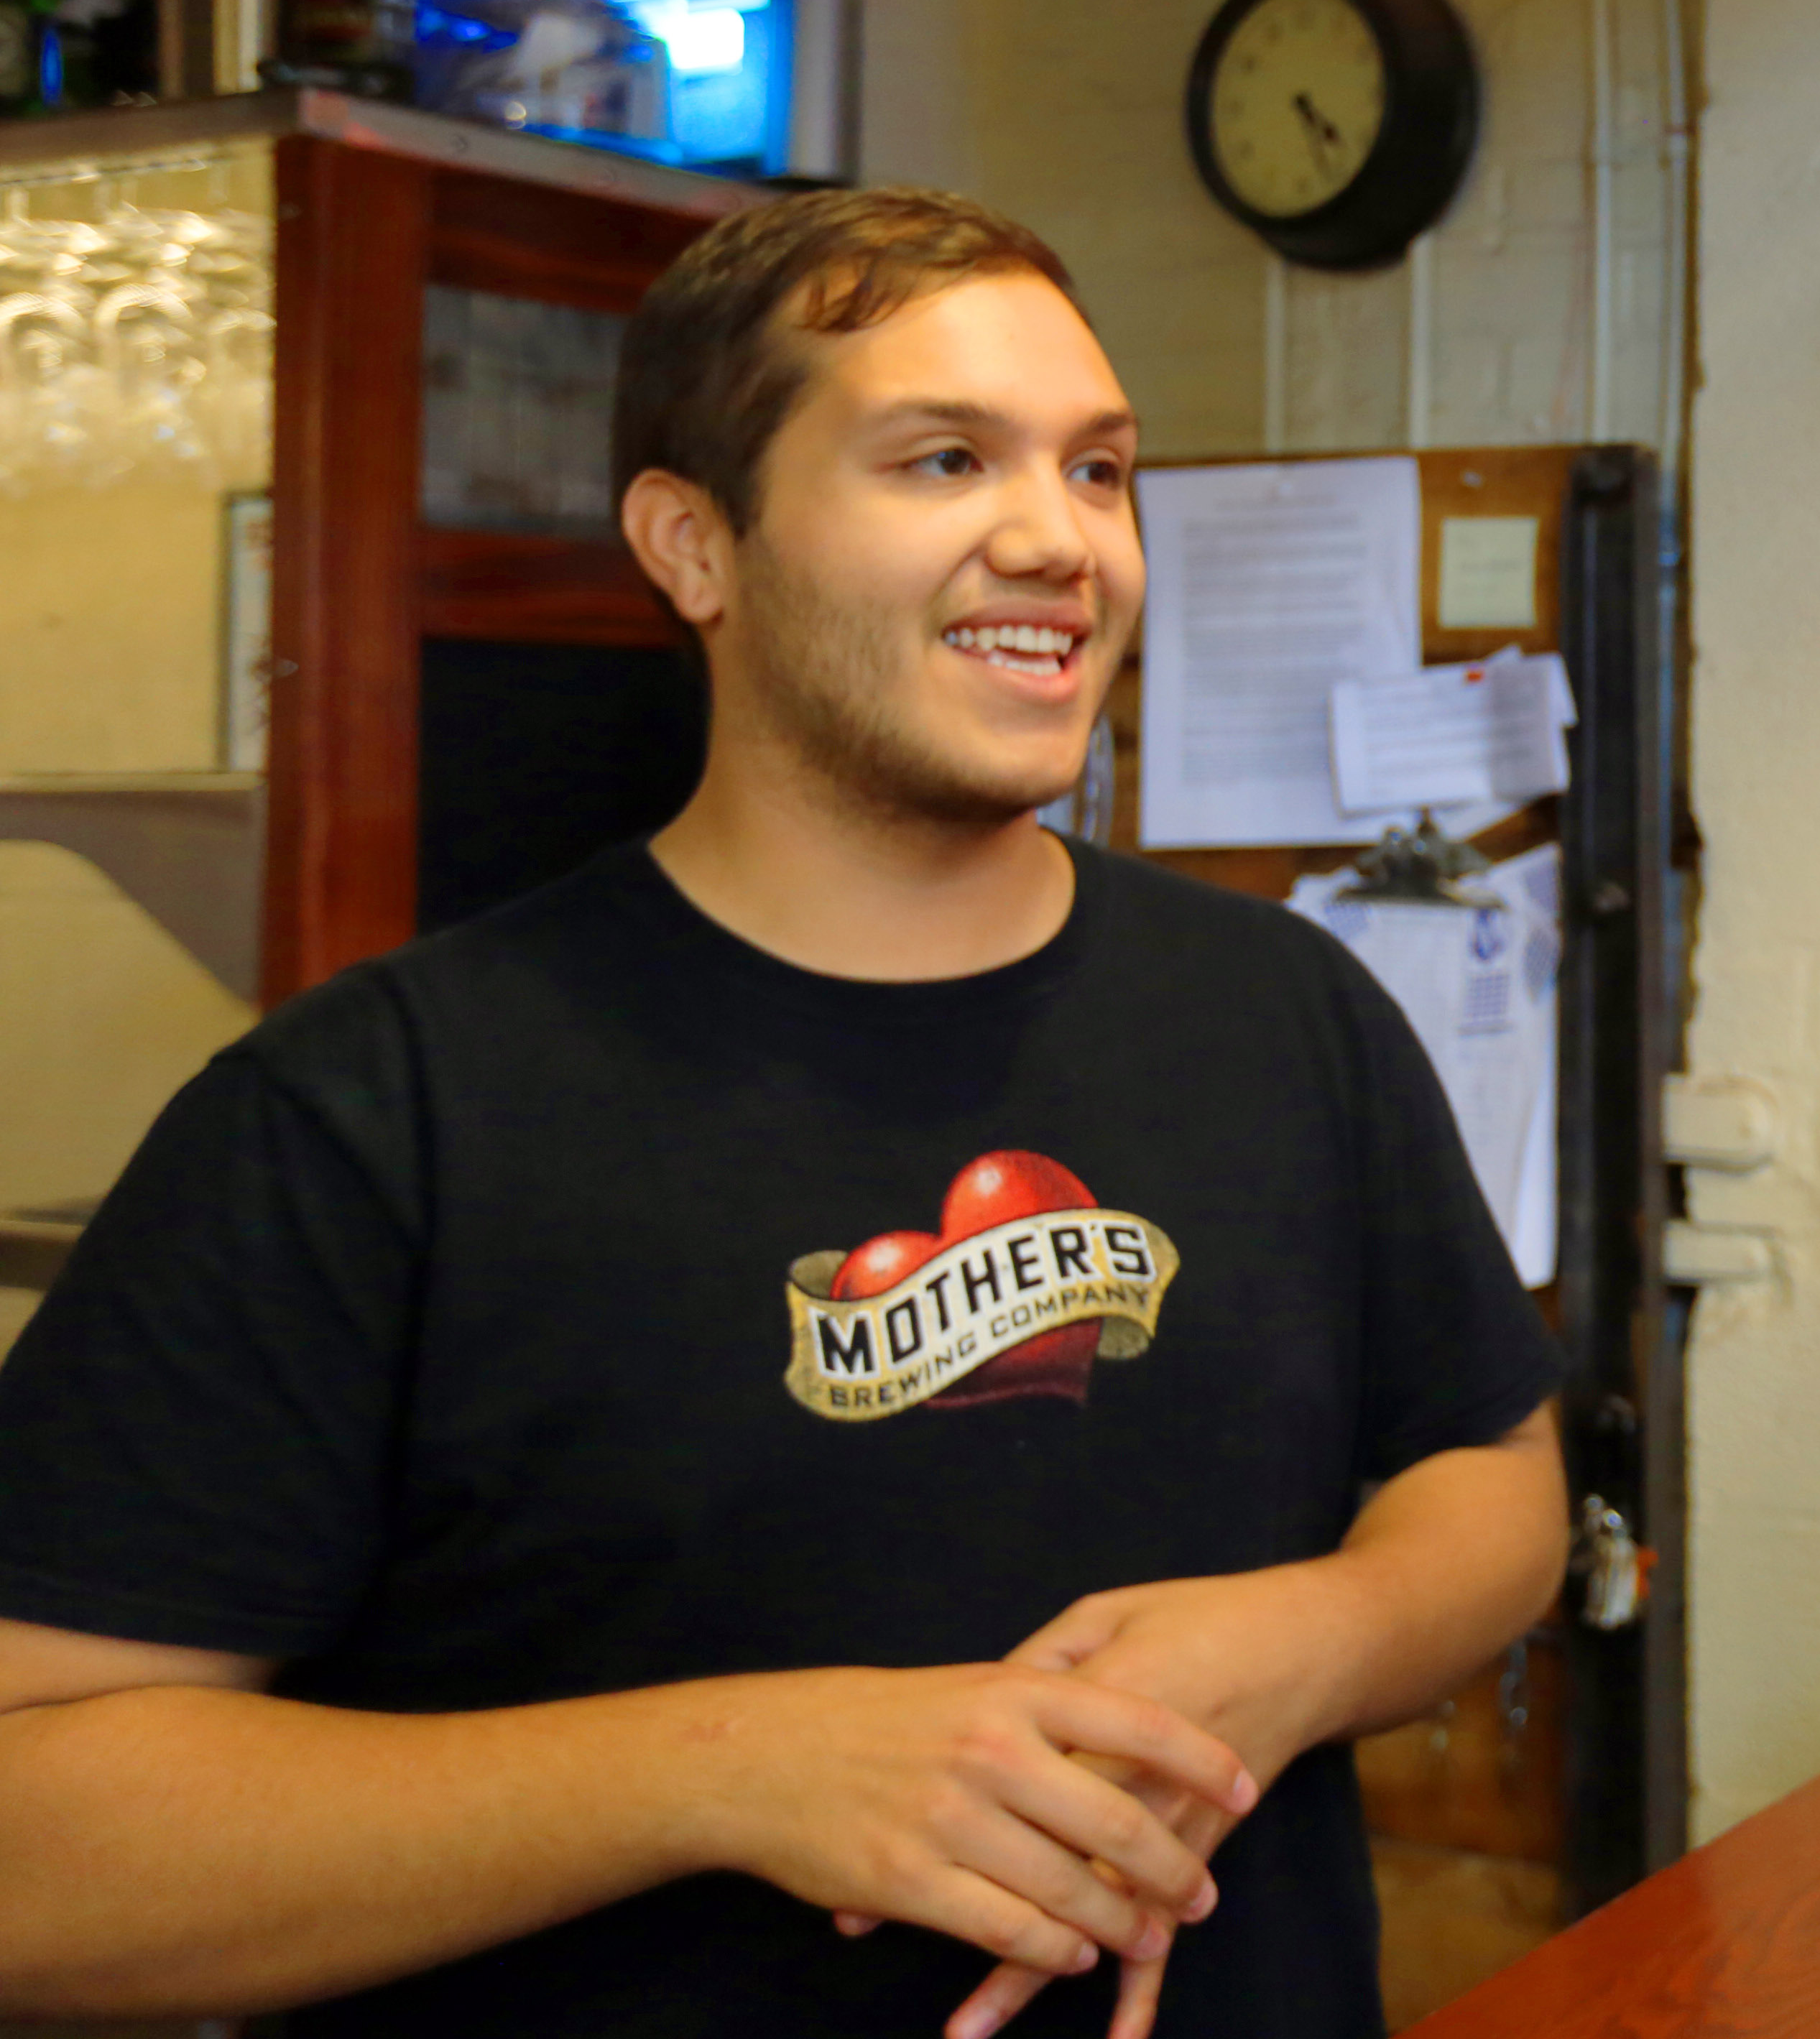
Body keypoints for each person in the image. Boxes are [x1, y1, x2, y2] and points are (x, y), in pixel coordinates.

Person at [0, 188, 1569, 2039]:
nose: (1055, 540)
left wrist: (1312, 1645)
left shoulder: (1289, 1007)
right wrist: (728, 1774)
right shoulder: (367, 1115)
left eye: (1098, 470)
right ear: (694, 546)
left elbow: (1495, 1486)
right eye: (942, 460)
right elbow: (38, 1857)